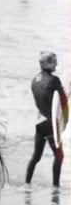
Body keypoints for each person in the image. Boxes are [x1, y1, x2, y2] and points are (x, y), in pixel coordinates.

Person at [25, 51, 66, 187]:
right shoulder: (54, 80)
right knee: (59, 156)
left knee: (36, 157)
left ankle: (27, 184)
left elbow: (41, 102)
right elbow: (63, 101)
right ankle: (56, 187)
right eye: (54, 61)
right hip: (50, 123)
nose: (57, 64)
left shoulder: (34, 80)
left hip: (39, 121)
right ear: (48, 63)